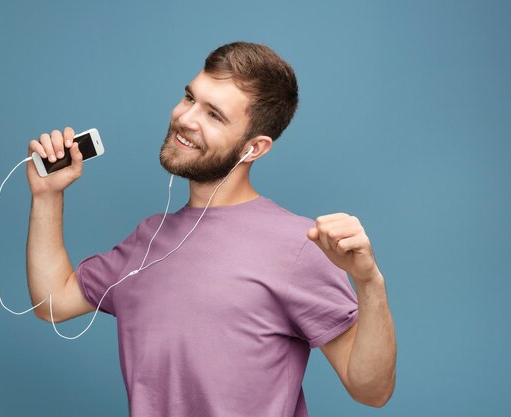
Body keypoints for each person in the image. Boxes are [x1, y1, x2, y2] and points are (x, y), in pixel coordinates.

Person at [25, 41, 396, 417]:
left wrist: (370, 283)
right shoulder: (149, 238)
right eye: (190, 98)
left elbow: (371, 391)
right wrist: (47, 196)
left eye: (214, 115)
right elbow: (51, 303)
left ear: (254, 148)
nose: (186, 119)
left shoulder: (300, 247)